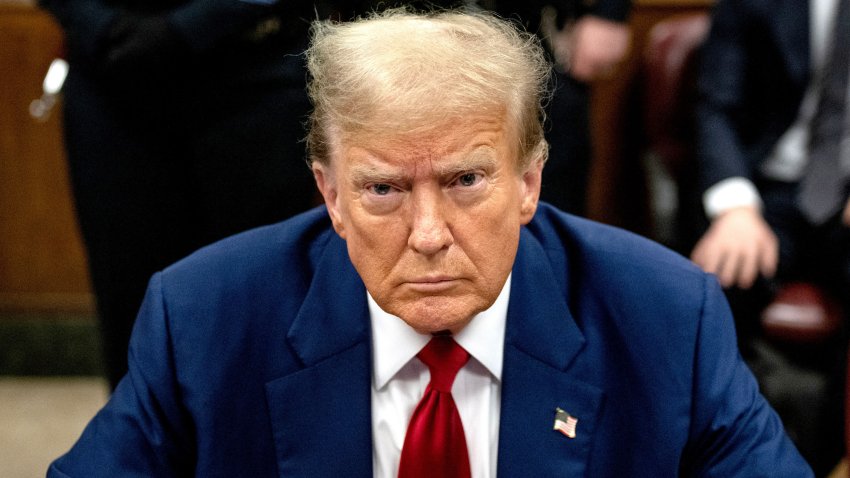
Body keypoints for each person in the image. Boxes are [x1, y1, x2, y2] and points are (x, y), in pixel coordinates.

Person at [49, 9, 811, 477]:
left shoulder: (665, 316)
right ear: (330, 194)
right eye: (383, 189)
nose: (428, 236)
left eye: (466, 181)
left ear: (529, 184)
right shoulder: (205, 316)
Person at [38, 0, 326, 388]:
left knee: (251, 303)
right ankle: (145, 447)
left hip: (252, 73)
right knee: (130, 305)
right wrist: (100, 24)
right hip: (114, 77)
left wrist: (186, 29)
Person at [692, 0, 850, 474]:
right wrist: (736, 208)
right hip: (767, 190)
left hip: (844, 195)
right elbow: (715, 105)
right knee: (715, 286)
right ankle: (718, 455)